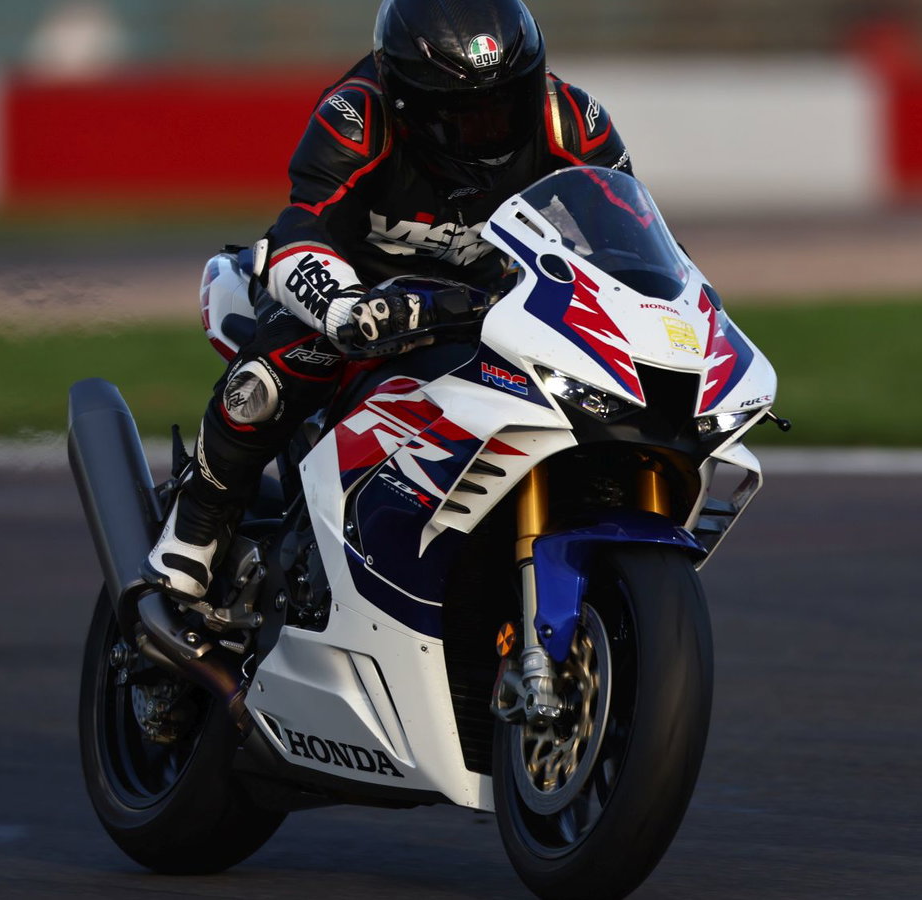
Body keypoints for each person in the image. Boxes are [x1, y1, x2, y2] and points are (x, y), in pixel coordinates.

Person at [144, 0, 632, 599]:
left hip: (485, 301)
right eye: (465, 117)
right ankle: (196, 527)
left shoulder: (574, 120)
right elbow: (300, 228)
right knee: (282, 373)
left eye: (507, 104)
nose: (491, 131)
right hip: (358, 295)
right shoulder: (356, 114)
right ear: (407, 103)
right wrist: (346, 308)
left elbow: (628, 232)